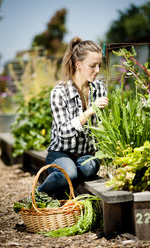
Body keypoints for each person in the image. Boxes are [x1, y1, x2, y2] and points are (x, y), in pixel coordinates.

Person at [38, 37, 109, 197]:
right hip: (61, 152)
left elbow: (104, 125)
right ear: (78, 65)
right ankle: (38, 195)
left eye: (99, 65)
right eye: (92, 65)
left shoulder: (99, 88)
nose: (97, 70)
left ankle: (61, 194)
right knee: (68, 174)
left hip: (86, 155)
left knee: (89, 167)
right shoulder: (59, 92)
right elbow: (64, 132)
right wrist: (91, 110)